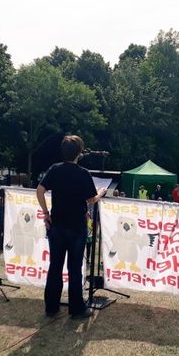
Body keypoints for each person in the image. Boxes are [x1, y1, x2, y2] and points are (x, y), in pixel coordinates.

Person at [36, 135, 107, 319]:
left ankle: (51, 307)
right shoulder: (83, 173)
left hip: (57, 225)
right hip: (76, 227)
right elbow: (91, 199)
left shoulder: (55, 169)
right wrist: (100, 194)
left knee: (55, 267)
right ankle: (77, 309)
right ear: (79, 153)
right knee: (74, 268)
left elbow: (40, 190)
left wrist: (45, 213)